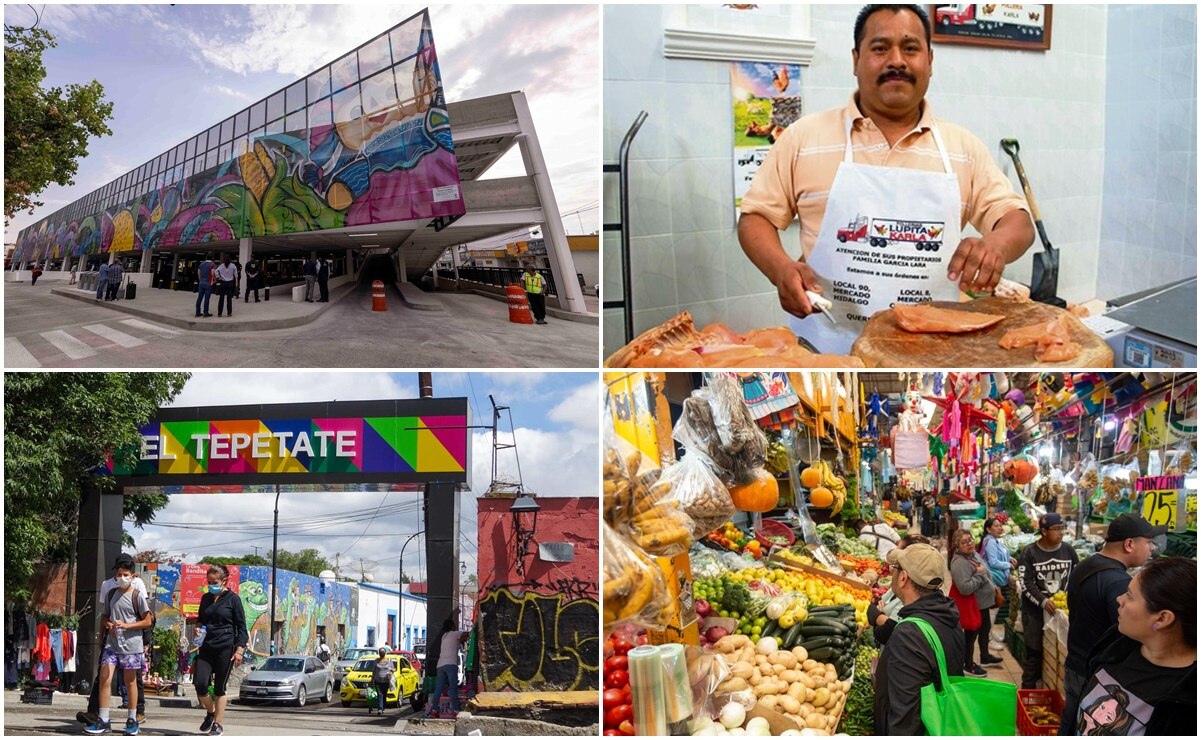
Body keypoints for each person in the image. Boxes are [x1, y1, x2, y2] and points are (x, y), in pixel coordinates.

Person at [737, 4, 1034, 354]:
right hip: (826, 347)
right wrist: (780, 268)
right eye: (880, 48)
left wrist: (996, 245)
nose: (897, 60)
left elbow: (1017, 221)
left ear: (929, 60)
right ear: (855, 60)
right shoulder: (804, 138)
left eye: (910, 48)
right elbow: (755, 217)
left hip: (932, 352)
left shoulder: (963, 148)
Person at [1059, 513, 1166, 735]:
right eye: (1148, 542)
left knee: (1071, 721)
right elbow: (1127, 636)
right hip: (1096, 672)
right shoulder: (1118, 582)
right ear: (1129, 544)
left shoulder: (1087, 564)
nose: (1152, 549)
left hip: (1076, 661)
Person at [1073, 556, 1195, 736]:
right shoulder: (1117, 642)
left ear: (1162, 618)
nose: (1119, 599)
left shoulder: (1187, 702)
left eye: (1130, 595)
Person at [873, 542, 965, 735]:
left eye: (895, 569)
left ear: (903, 578)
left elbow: (905, 719)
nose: (893, 574)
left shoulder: (909, 635)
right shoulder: (948, 614)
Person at [78, 555, 150, 729]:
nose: (122, 578)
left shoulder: (138, 595)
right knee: (104, 677)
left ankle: (132, 718)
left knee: (130, 681)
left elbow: (147, 620)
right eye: (119, 574)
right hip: (112, 643)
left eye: (125, 574)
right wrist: (108, 626)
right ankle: (103, 719)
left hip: (132, 645)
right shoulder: (110, 593)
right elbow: (104, 616)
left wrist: (127, 625)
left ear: (133, 576)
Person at [1017, 512, 1079, 689]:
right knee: (1034, 653)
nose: (1061, 533)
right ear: (1044, 531)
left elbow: (1075, 576)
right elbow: (1025, 582)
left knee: (1056, 653)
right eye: (1057, 529)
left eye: (1063, 529)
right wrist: (1043, 601)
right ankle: (1028, 691)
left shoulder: (1068, 550)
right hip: (1035, 612)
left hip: (1061, 612)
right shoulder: (1030, 552)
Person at [193, 565, 248, 736]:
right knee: (200, 684)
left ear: (225, 581)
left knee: (219, 688)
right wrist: (198, 628)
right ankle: (210, 713)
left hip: (226, 648)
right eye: (208, 582)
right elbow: (201, 620)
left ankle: (218, 724)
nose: (211, 585)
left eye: (214, 582)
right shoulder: (205, 598)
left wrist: (239, 649)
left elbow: (241, 627)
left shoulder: (233, 599)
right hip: (206, 647)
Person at [948, 527, 998, 675]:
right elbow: (965, 588)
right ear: (956, 546)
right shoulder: (959, 563)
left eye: (970, 539)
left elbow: (983, 569)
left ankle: (985, 656)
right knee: (971, 635)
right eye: (964, 542)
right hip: (973, 606)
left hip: (982, 604)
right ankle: (968, 664)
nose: (969, 543)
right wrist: (980, 575)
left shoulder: (972, 554)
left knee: (984, 630)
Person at [869, 532, 929, 645]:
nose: (892, 570)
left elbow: (885, 633)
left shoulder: (910, 597)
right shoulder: (897, 588)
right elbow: (873, 606)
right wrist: (881, 617)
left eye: (896, 565)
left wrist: (877, 615)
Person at [425, 617, 469, 718]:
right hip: (451, 664)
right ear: (453, 626)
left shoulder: (444, 636)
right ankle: (456, 710)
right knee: (453, 688)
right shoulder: (455, 633)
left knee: (438, 689)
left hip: (440, 665)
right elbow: (467, 634)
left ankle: (435, 710)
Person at [369, 647, 393, 716]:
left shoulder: (389, 661)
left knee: (384, 695)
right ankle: (380, 708)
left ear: (385, 653)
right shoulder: (376, 661)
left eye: (382, 652)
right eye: (380, 652)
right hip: (378, 681)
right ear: (379, 653)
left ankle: (383, 707)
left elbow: (393, 669)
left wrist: (391, 672)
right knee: (380, 694)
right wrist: (372, 679)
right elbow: (373, 670)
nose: (381, 653)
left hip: (386, 681)